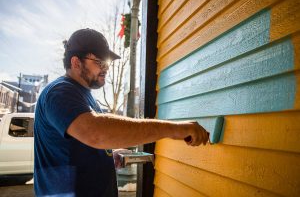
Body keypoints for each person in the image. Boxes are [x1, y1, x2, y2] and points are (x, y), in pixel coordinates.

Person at [34, 28, 209, 197]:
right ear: (76, 62)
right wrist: (176, 129)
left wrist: (108, 155)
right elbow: (96, 133)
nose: (106, 68)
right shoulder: (59, 92)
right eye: (99, 62)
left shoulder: (83, 95)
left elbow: (80, 144)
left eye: (107, 63)